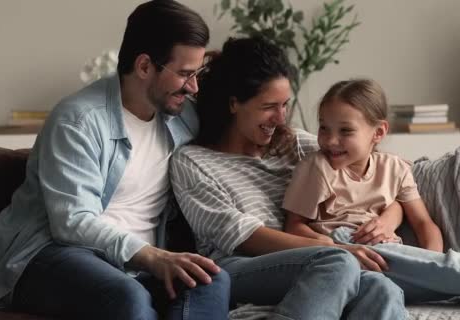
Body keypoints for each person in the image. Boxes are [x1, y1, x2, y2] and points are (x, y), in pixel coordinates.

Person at [0, 1, 230, 319]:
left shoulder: (182, 117)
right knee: (127, 296)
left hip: (138, 263)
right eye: (184, 74)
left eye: (196, 73)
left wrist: (288, 136)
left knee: (211, 280)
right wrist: (152, 257)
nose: (193, 86)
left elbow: (239, 133)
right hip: (51, 254)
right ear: (144, 66)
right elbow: (72, 222)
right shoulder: (79, 119)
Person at [170, 36, 408, 320]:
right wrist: (333, 248)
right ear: (234, 103)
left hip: (316, 261)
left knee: (383, 289)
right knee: (339, 263)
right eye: (269, 106)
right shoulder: (192, 161)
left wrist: (387, 219)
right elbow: (241, 236)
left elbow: (394, 182)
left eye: (285, 105)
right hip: (238, 267)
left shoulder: (297, 145)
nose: (281, 118)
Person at [283, 78, 460, 311]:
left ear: (378, 133)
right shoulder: (316, 167)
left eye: (345, 131)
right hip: (346, 247)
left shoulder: (394, 168)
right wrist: (334, 248)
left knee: (447, 270)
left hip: (386, 256)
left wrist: (430, 262)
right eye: (324, 128)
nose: (330, 140)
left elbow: (424, 223)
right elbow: (293, 227)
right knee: (451, 270)